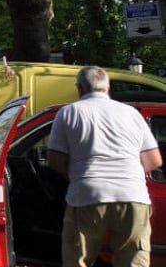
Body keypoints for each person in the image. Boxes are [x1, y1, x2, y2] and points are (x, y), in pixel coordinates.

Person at [47, 65, 162, 267]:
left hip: (87, 195)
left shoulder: (68, 113)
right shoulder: (131, 113)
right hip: (132, 195)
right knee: (133, 261)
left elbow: (55, 160)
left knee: (78, 260)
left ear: (79, 88)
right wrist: (127, 173)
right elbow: (154, 160)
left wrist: (79, 175)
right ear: (108, 87)